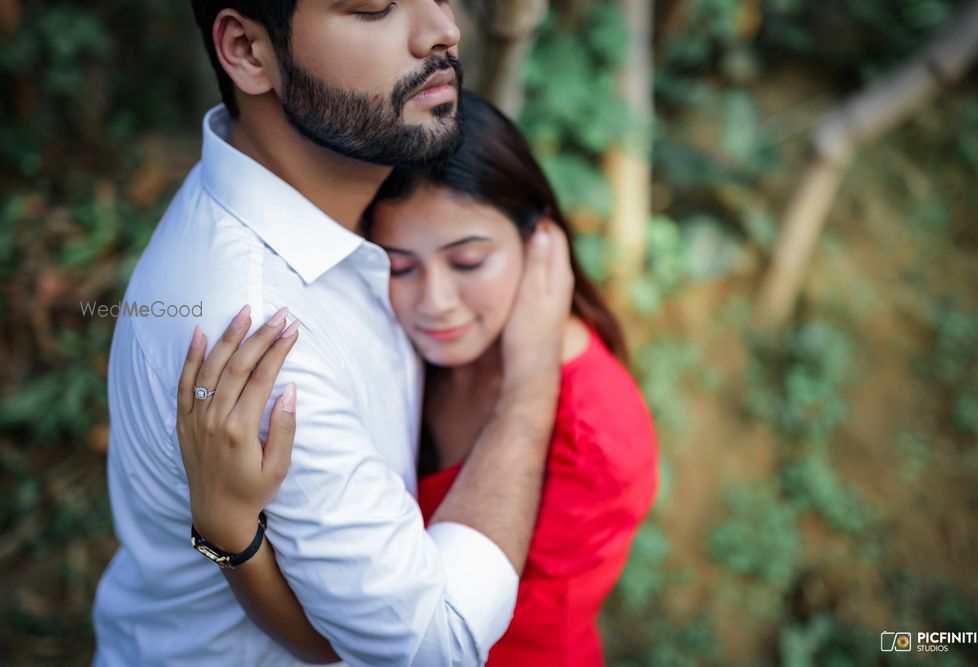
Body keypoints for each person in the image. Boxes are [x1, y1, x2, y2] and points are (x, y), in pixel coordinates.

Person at [93, 2, 574, 666]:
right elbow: (436, 640)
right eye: (375, 6)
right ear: (249, 52)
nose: (443, 30)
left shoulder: (338, 196)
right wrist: (530, 384)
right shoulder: (260, 336)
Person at [178, 93, 660, 666]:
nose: (435, 303)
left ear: (541, 243)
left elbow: (440, 645)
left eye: (468, 262)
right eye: (399, 265)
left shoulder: (598, 438)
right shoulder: (403, 341)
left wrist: (228, 535)